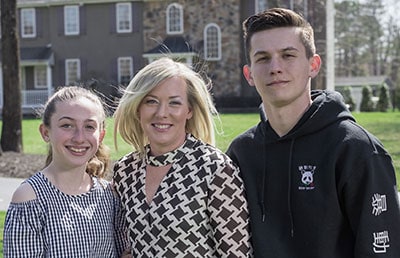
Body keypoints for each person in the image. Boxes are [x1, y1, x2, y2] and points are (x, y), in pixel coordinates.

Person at [226, 7, 400, 257]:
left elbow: (383, 248)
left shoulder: (355, 150)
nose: (275, 67)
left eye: (288, 55)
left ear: (313, 65)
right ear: (249, 74)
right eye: (262, 58)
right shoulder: (240, 154)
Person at [112, 57, 252, 257]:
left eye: (174, 103)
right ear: (138, 108)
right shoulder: (125, 171)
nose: (162, 113)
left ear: (189, 111)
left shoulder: (215, 169)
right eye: (151, 101)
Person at [3, 86, 129, 257]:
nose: (79, 137)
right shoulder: (30, 198)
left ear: (100, 136)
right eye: (67, 125)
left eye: (89, 127)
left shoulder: (110, 196)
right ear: (45, 132)